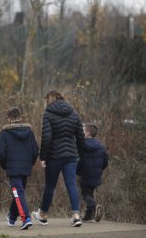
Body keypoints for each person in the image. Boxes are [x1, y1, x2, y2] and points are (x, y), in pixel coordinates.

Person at [31, 90, 85, 227]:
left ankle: (42, 215)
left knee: (50, 185)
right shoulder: (74, 114)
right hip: (71, 156)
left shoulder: (48, 114)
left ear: (50, 99)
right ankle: (76, 216)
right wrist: (80, 154)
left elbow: (47, 137)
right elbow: (80, 136)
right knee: (71, 184)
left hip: (54, 156)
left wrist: (43, 156)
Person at [0, 107, 39, 230]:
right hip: (25, 166)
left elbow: (0, 152)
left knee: (18, 191)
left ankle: (25, 218)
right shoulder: (29, 132)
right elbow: (35, 150)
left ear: (9, 119)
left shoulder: (4, 133)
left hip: (12, 167)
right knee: (19, 191)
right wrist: (29, 163)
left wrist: (5, 165)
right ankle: (12, 216)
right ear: (20, 117)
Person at [77, 123, 108, 222]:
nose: (82, 133)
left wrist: (77, 171)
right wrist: (99, 170)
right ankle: (88, 216)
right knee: (90, 193)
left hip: (85, 173)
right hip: (97, 174)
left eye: (84, 131)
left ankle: (95, 206)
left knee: (85, 194)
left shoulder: (82, 145)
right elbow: (105, 161)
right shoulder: (101, 146)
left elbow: (79, 160)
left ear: (88, 133)